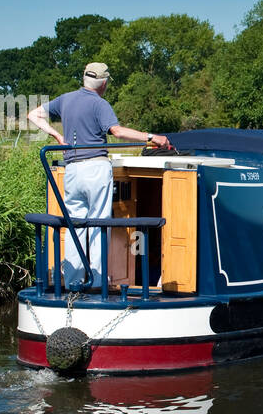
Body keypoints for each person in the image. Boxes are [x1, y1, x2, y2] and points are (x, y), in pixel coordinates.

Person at [27, 64, 168, 288]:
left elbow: (32, 115)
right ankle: (97, 282)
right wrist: (152, 137)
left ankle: (73, 281)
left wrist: (57, 135)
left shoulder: (65, 100)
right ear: (104, 83)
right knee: (99, 225)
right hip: (95, 169)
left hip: (72, 169)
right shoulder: (100, 104)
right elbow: (118, 132)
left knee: (75, 225)